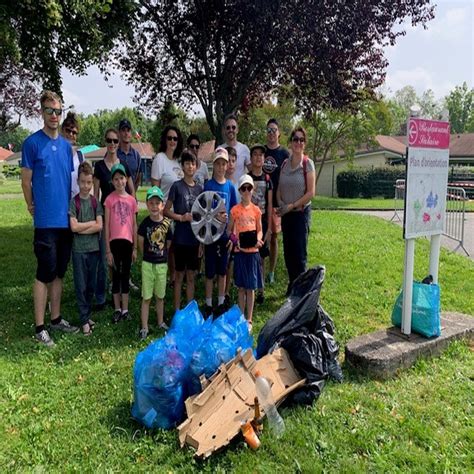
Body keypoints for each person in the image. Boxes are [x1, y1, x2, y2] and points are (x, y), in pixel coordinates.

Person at [21, 90, 79, 346]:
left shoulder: (67, 148)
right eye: (50, 111)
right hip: (45, 222)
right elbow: (25, 181)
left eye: (58, 111)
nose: (54, 116)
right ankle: (40, 327)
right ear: (41, 112)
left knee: (58, 273)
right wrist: (30, 204)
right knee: (44, 272)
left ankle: (56, 319)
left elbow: (70, 182)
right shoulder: (32, 143)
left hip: (64, 221)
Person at [93, 129, 135, 310]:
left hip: (125, 230)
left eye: (115, 141)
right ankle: (113, 294)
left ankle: (123, 300)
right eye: (109, 140)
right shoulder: (100, 168)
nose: (112, 144)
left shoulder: (124, 165)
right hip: (108, 221)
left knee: (124, 265)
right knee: (109, 260)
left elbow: (132, 191)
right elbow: (95, 195)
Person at [276, 127, 315, 294]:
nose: (298, 142)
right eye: (295, 139)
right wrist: (281, 204)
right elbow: (279, 188)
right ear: (291, 142)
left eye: (301, 140)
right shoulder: (285, 163)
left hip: (300, 214)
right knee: (288, 253)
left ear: (304, 143)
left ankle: (301, 291)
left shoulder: (307, 164)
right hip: (287, 215)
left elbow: (311, 192)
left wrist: (291, 205)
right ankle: (293, 284)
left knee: (299, 255)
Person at [164, 151, 203, 311]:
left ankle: (189, 312)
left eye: (193, 163)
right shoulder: (176, 186)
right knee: (179, 276)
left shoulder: (200, 189)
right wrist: (181, 217)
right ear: (182, 166)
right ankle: (177, 312)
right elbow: (166, 211)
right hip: (180, 238)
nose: (190, 166)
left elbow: (203, 218)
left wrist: (202, 243)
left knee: (191, 277)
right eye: (187, 163)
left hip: (194, 240)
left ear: (196, 167)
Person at [69, 161, 104, 335]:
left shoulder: (95, 202)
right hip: (78, 251)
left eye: (89, 182)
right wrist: (90, 224)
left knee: (91, 285)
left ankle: (87, 314)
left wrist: (84, 225)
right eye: (83, 182)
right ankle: (84, 321)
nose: (85, 186)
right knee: (81, 285)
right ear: (78, 181)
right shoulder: (73, 202)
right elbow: (73, 227)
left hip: (94, 249)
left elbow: (99, 226)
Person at [203, 147, 237, 317]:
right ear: (214, 165)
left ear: (227, 166)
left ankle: (221, 302)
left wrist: (232, 235)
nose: (221, 167)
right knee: (210, 270)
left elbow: (234, 213)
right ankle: (208, 304)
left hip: (224, 235)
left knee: (222, 270)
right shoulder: (208, 185)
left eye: (224, 163)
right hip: (210, 234)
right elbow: (202, 210)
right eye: (218, 163)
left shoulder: (230, 187)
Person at [228, 174, 264, 332]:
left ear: (253, 190)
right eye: (244, 188)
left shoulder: (256, 211)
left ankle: (249, 318)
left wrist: (258, 240)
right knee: (241, 287)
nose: (247, 191)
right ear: (240, 191)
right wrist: (235, 242)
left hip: (253, 253)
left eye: (249, 188)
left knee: (251, 287)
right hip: (240, 253)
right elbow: (230, 231)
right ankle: (241, 317)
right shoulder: (234, 210)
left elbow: (260, 230)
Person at [104, 163, 138, 323]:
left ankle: (125, 309)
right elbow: (106, 225)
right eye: (116, 179)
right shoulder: (109, 200)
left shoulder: (132, 200)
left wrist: (135, 248)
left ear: (126, 179)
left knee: (125, 276)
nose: (119, 182)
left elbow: (135, 225)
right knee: (116, 277)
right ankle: (117, 309)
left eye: (122, 178)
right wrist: (108, 251)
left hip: (127, 243)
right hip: (114, 244)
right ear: (112, 181)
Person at [138, 186, 173, 340]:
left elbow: (169, 243)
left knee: (160, 296)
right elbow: (140, 242)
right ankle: (144, 327)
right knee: (146, 297)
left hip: (161, 264)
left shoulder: (166, 224)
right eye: (151, 203)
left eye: (157, 203)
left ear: (162, 205)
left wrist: (162, 255)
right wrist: (146, 255)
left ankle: (160, 322)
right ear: (147, 204)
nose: (154, 206)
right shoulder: (144, 224)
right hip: (147, 264)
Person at [264, 118, 290, 285]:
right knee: (259, 237)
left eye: (274, 130)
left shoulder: (284, 154)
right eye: (268, 130)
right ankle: (260, 269)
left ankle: (271, 272)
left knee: (273, 237)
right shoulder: (261, 151)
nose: (271, 133)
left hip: (276, 202)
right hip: (261, 202)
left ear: (279, 133)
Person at [248, 144, 273, 304]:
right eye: (255, 155)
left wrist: (270, 228)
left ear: (264, 159)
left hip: (263, 221)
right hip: (249, 222)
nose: (258, 157)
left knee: (262, 258)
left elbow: (270, 204)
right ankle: (252, 289)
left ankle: (261, 290)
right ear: (251, 158)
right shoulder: (247, 178)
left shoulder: (268, 179)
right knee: (251, 255)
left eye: (260, 155)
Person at [151, 125, 184, 200]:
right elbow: (155, 190)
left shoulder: (177, 162)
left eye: (175, 139)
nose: (172, 141)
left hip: (179, 210)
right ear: (165, 140)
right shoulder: (159, 159)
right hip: (165, 209)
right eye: (169, 138)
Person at [218, 114, 250, 182]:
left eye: (233, 127)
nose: (231, 130)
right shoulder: (220, 149)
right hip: (224, 190)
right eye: (228, 127)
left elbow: (252, 172)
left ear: (237, 130)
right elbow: (215, 173)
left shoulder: (244, 149)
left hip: (240, 191)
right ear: (224, 130)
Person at [61, 111, 84, 199]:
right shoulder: (55, 154)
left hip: (76, 204)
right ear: (62, 130)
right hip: (59, 203)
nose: (71, 134)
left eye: (74, 132)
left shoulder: (80, 156)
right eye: (68, 130)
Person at [117, 118, 142, 193]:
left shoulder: (136, 156)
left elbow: (138, 179)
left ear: (131, 133)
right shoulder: (113, 154)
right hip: (116, 199)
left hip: (131, 200)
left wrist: (132, 195)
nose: (126, 133)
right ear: (119, 133)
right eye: (123, 130)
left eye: (128, 130)